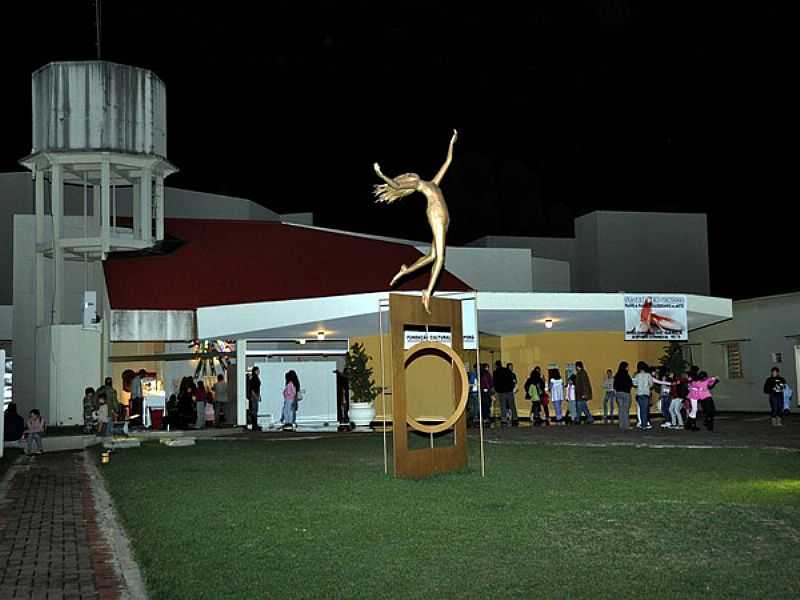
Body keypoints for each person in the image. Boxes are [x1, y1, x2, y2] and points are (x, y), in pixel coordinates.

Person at [374, 129, 457, 313]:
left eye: (411, 172)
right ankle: (428, 292)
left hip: (445, 218)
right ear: (410, 181)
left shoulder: (433, 183)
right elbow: (395, 185)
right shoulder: (418, 185)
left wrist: (452, 141)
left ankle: (405, 271)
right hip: (436, 214)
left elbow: (448, 161)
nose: (412, 173)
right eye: (409, 175)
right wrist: (381, 174)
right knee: (440, 258)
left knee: (432, 256)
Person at [632, 361, 653, 430]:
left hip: (639, 394)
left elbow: (634, 384)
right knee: (645, 410)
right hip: (646, 394)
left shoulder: (637, 375)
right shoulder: (648, 375)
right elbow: (651, 384)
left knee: (641, 410)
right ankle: (645, 423)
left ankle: (642, 424)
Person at [493, 361, 514, 427]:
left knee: (503, 406)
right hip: (509, 390)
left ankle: (504, 419)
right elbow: (511, 380)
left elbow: (495, 382)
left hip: (501, 391)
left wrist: (496, 390)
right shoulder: (507, 370)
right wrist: (511, 387)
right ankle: (515, 418)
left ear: (496, 365)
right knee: (512, 405)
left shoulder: (496, 372)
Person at [613, 362, 633, 431]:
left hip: (618, 393)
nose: (628, 368)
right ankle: (626, 425)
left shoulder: (617, 375)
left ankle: (621, 425)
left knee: (621, 410)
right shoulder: (626, 375)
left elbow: (614, 385)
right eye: (627, 367)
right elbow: (630, 383)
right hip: (626, 393)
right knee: (626, 410)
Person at [249, 367, 262, 431]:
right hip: (254, 396)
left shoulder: (255, 378)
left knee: (255, 410)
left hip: (255, 395)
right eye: (258, 370)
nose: (259, 371)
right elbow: (252, 389)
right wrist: (256, 396)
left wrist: (259, 395)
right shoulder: (254, 379)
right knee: (254, 410)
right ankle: (254, 425)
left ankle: (255, 425)